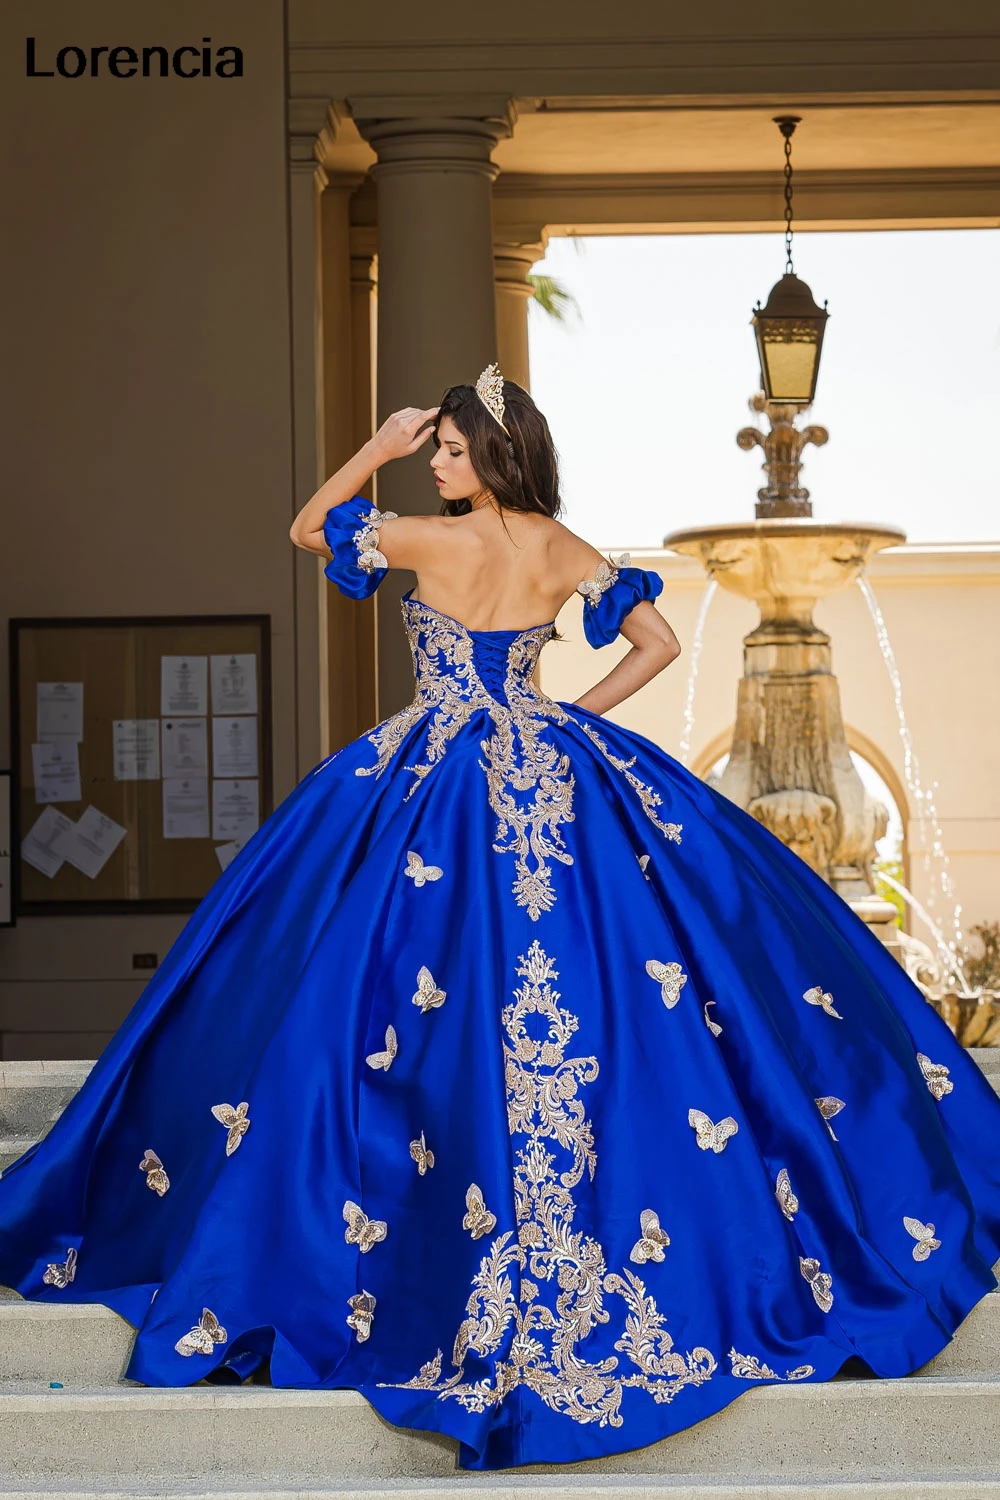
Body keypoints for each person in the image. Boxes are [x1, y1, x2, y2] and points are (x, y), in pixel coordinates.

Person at [1, 364, 999, 1472]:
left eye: (449, 448)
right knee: (632, 980)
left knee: (368, 984)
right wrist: (569, 715)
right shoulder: (560, 548)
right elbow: (657, 646)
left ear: (490, 452)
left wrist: (373, 448)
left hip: (429, 773)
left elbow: (305, 528)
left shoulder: (435, 542)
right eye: (428, 449)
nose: (435, 462)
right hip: (550, 760)